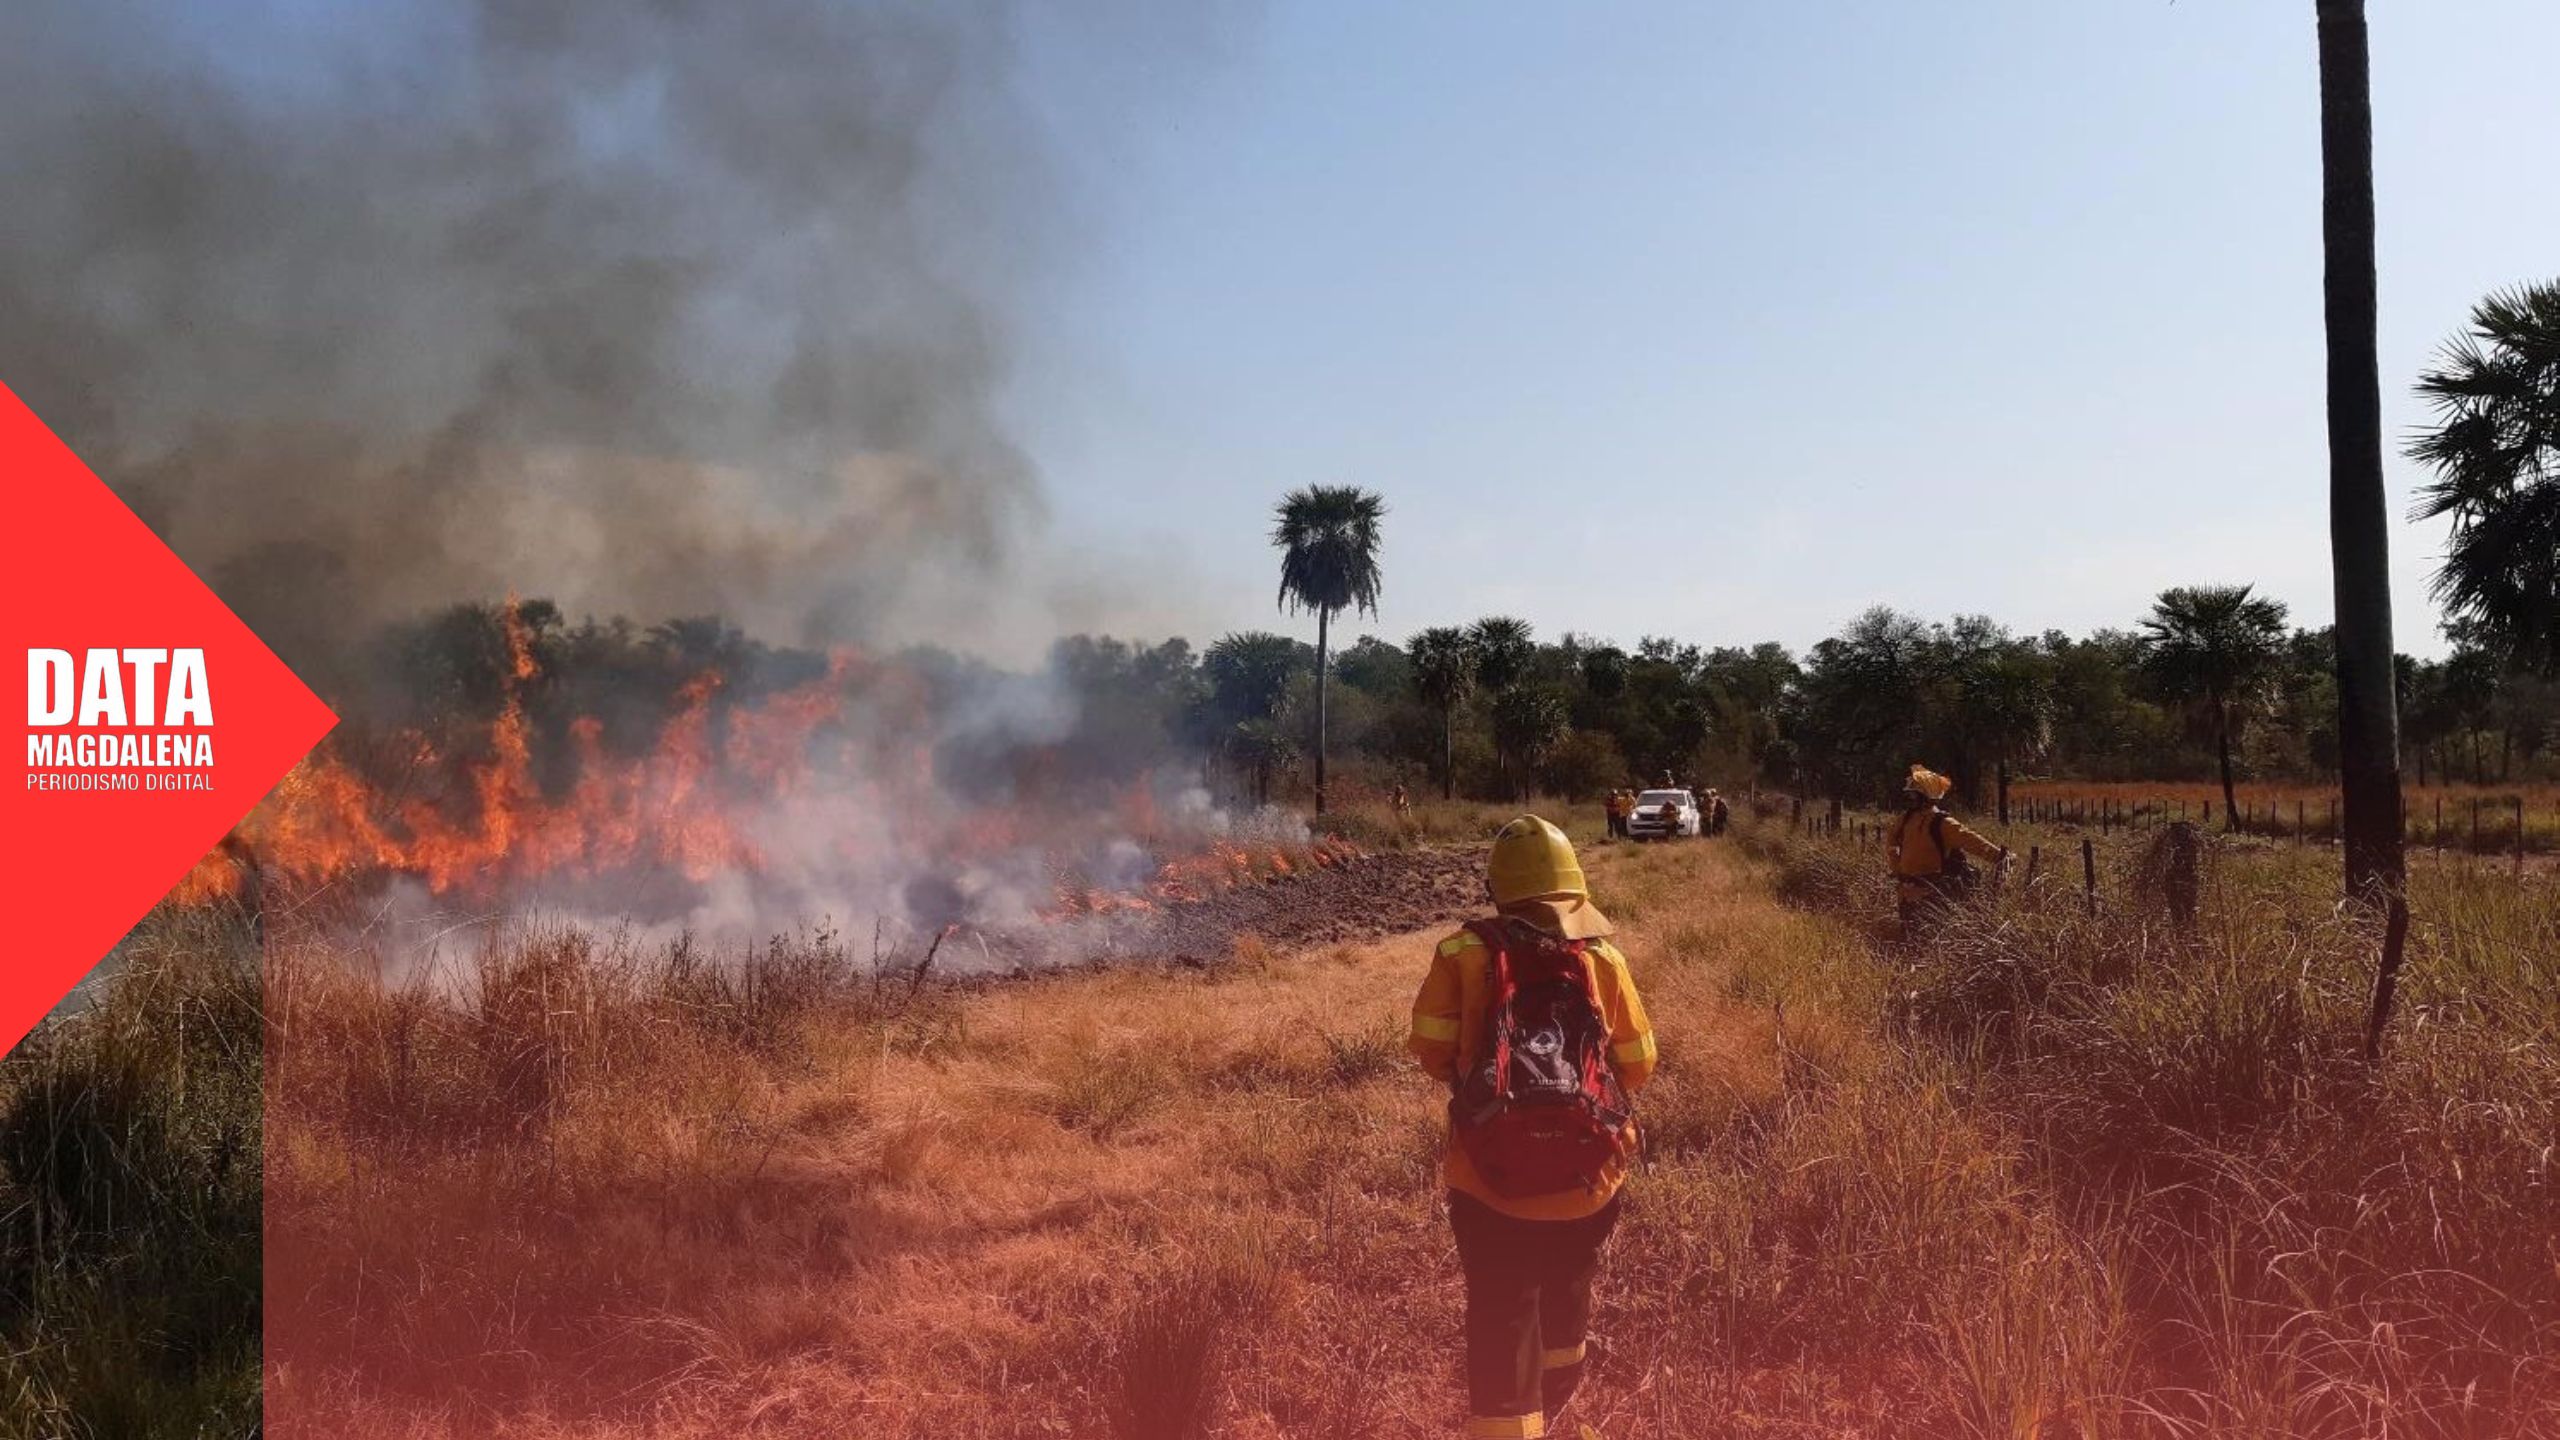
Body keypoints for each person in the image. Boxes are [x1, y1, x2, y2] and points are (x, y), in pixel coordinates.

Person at [1409, 816, 1658, 1439]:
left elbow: (1430, 1050)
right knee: (1568, 1284)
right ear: (1573, 888)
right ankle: (1563, 1408)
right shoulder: (1601, 956)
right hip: (1588, 1174)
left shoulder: (1461, 954)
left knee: (1502, 1307)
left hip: (1487, 1174)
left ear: (1500, 887)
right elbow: (1638, 1064)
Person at [1886, 764, 2008, 935]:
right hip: (1906, 894)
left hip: (1931, 893)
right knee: (1908, 939)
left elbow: (1972, 841)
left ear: (1926, 797)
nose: (1910, 799)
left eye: (1914, 795)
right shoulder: (1905, 819)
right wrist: (1896, 867)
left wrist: (2000, 856)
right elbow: (1891, 842)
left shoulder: (1943, 823)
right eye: (1909, 795)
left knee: (1927, 942)